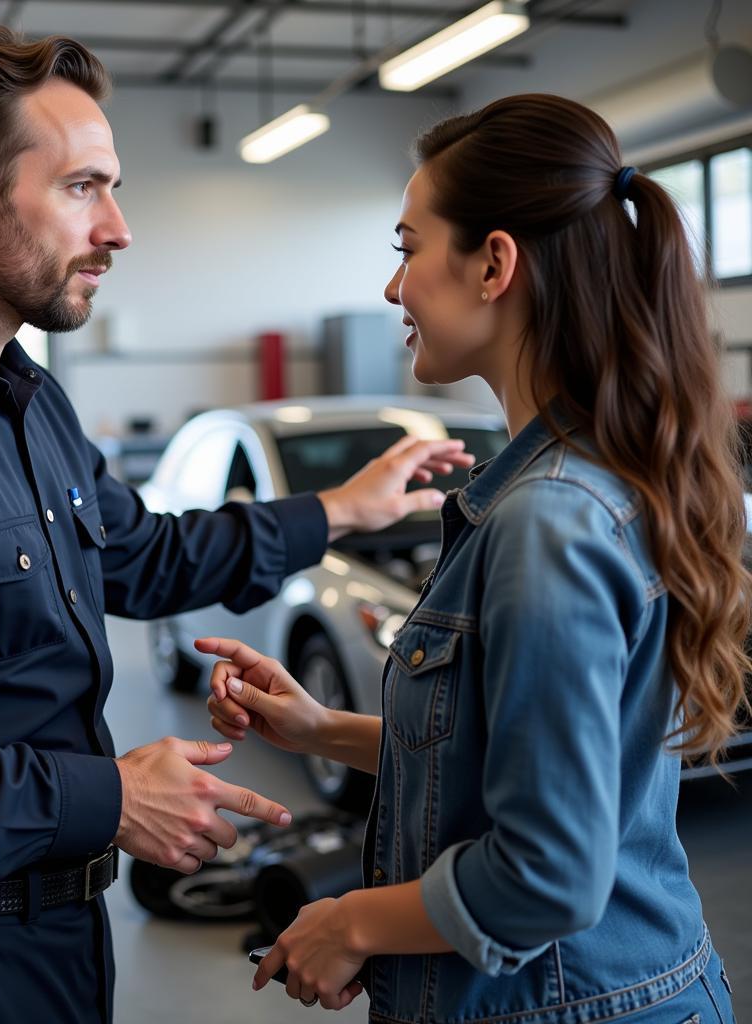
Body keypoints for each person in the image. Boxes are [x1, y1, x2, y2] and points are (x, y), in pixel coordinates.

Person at [0, 25, 476, 1024]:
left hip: (54, 943)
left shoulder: (26, 398)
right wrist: (108, 798)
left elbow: (137, 555)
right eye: (85, 186)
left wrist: (339, 509)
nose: (118, 227)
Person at [202, 93, 747, 1022]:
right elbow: (523, 766)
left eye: (406, 250)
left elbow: (547, 876)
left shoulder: (549, 522)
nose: (391, 288)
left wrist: (352, 923)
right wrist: (323, 730)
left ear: (494, 263)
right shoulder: (586, 483)